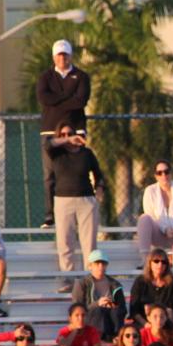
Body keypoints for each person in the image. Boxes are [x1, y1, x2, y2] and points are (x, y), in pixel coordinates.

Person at [36, 39, 91, 229]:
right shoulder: (45, 77)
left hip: (77, 129)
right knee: (50, 174)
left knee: (78, 171)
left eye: (65, 54)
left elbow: (80, 101)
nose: (62, 58)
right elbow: (44, 98)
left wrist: (57, 101)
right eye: (59, 55)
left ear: (70, 56)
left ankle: (79, 214)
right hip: (51, 131)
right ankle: (50, 216)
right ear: (54, 57)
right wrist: (68, 97)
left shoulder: (81, 76)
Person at [43, 123, 105, 289]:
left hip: (86, 200)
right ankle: (68, 279)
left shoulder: (86, 153)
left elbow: (98, 174)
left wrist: (99, 188)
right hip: (63, 200)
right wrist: (67, 140)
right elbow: (48, 144)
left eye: (70, 133)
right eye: (62, 134)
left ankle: (89, 279)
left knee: (89, 243)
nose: (67, 137)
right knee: (65, 242)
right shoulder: (57, 153)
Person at [71, 249, 127, 342]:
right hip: (90, 322)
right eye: (97, 263)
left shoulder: (115, 284)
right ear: (90, 266)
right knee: (99, 311)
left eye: (103, 263)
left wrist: (112, 306)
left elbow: (123, 309)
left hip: (111, 324)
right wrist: (97, 304)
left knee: (115, 312)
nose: (101, 266)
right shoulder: (82, 284)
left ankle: (116, 339)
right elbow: (76, 309)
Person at [129, 249, 173, 325]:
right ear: (150, 263)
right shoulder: (140, 282)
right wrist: (146, 324)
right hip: (143, 322)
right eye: (156, 261)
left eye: (163, 262)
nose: (160, 265)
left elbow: (172, 308)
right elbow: (134, 311)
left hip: (164, 321)